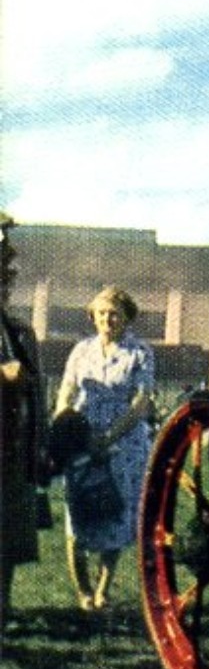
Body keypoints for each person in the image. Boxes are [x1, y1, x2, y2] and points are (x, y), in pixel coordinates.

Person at [53, 285, 155, 611]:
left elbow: (141, 403)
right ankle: (82, 590)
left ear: (126, 317)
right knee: (78, 515)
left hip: (124, 446)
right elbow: (65, 391)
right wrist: (63, 424)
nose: (107, 319)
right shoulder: (81, 350)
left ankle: (103, 589)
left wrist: (109, 438)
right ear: (92, 317)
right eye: (100, 314)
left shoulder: (140, 353)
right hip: (81, 442)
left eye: (114, 313)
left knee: (116, 515)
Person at [0, 213, 45, 633]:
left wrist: (42, 442)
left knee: (10, 536)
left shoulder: (18, 330)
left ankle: (4, 609)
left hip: (14, 447)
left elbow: (36, 390)